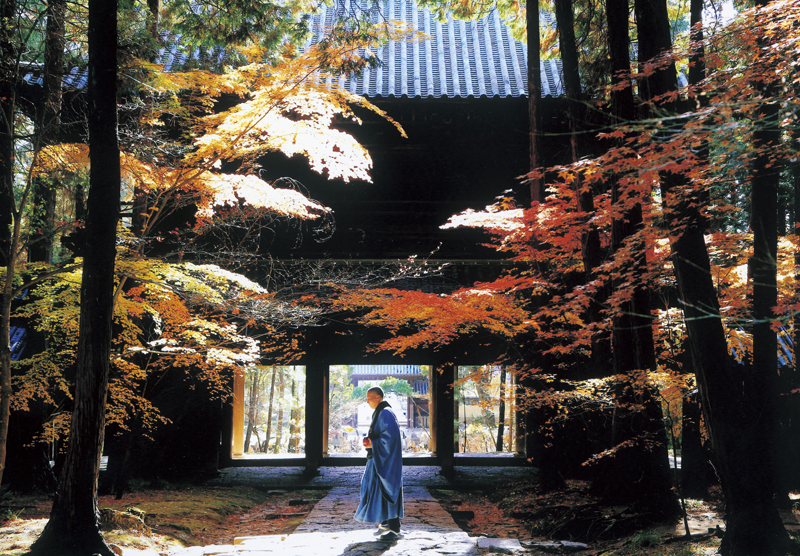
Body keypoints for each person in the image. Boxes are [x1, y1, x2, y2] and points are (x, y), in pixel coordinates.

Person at [354, 386, 404, 540]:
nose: (367, 401)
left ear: (378, 397)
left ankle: (394, 528)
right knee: (377, 490)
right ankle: (385, 523)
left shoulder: (386, 413)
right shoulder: (380, 412)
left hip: (384, 461)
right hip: (378, 459)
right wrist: (371, 441)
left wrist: (372, 443)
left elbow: (390, 439)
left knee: (386, 489)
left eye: (370, 398)